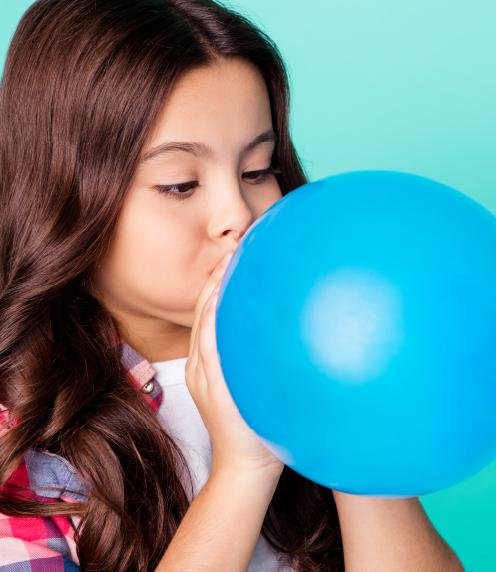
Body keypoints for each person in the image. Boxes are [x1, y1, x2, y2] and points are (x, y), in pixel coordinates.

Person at [0, 1, 464, 571]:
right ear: (65, 196)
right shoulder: (18, 431)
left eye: (257, 170)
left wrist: (341, 415)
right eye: (179, 184)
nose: (237, 216)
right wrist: (242, 472)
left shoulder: (314, 356)